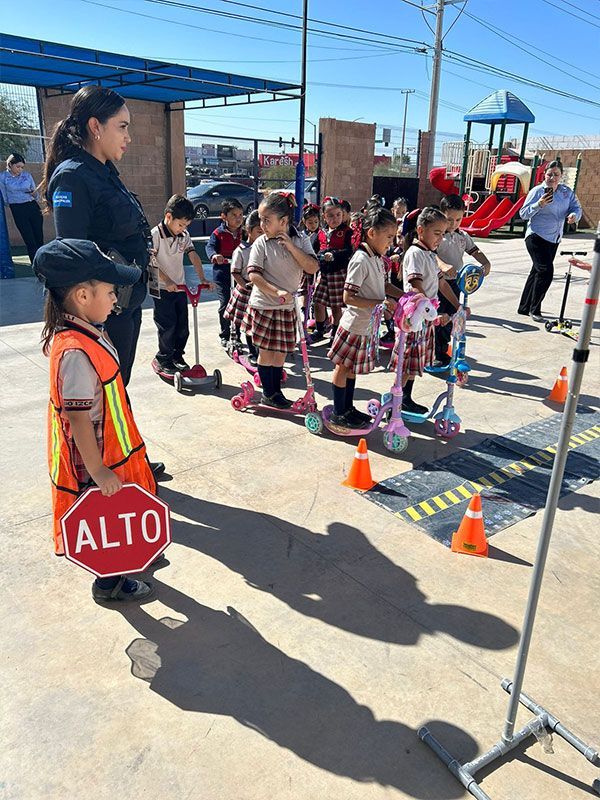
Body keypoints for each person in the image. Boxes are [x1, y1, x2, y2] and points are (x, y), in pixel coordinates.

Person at [41, 85, 164, 478]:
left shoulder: (104, 171)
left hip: (122, 302)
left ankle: (124, 459)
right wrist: (94, 319)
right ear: (95, 126)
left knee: (116, 387)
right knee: (99, 396)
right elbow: (72, 254)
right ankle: (102, 472)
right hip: (100, 311)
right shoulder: (74, 177)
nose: (128, 137)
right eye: (122, 127)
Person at [33, 238, 156, 603]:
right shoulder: (74, 351)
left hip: (108, 452)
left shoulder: (89, 331)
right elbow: (78, 418)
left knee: (115, 519)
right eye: (110, 291)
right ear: (83, 296)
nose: (116, 298)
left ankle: (120, 567)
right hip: (96, 460)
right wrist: (99, 471)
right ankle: (109, 582)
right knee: (106, 525)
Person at [327, 203, 403, 429]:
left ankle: (348, 408)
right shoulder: (361, 259)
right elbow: (348, 297)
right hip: (353, 326)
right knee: (342, 368)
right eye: (388, 237)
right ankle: (339, 412)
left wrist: (406, 295)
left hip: (367, 326)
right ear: (372, 233)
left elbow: (384, 286)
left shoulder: (377, 258)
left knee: (351, 370)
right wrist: (381, 303)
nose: (391, 242)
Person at [242, 192, 318, 409]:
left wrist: (291, 247)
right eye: (260, 220)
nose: (262, 225)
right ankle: (269, 393)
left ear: (283, 221)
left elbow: (312, 267)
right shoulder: (261, 243)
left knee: (281, 351)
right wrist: (276, 291)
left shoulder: (300, 239)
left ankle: (276, 393)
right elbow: (254, 275)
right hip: (265, 305)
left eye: (267, 220)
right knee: (267, 352)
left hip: (288, 307)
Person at [390, 207, 458, 414]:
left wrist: (458, 306)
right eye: (436, 233)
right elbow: (415, 287)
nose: (440, 238)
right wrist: (432, 312)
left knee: (414, 363)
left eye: (443, 234)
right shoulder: (415, 253)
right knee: (407, 361)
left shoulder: (429, 254)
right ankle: (396, 401)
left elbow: (442, 284)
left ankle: (405, 398)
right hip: (413, 318)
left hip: (425, 317)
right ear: (421, 231)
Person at [151, 195, 212, 376]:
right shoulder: (156, 234)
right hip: (162, 288)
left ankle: (177, 355)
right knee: (167, 325)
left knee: (182, 326)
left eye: (186, 226)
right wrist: (167, 281)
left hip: (179, 287)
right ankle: (163, 358)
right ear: (168, 217)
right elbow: (152, 260)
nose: (183, 229)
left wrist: (202, 279)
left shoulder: (183, 235)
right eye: (181, 225)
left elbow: (193, 255)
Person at [518, 160, 582, 323]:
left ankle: (524, 307)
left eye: (556, 174)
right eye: (549, 174)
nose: (552, 177)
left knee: (537, 271)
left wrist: (574, 216)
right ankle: (535, 308)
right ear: (544, 175)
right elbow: (523, 214)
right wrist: (539, 204)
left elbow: (576, 208)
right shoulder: (537, 191)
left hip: (554, 239)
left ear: (561, 176)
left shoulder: (566, 192)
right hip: (536, 236)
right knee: (546, 271)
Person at [434, 194, 490, 367]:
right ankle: (434, 352)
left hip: (455, 283)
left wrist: (485, 262)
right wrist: (442, 264)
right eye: (449, 219)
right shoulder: (437, 235)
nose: (454, 224)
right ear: (441, 214)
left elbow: (475, 250)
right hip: (437, 283)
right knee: (438, 319)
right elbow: (430, 254)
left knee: (451, 316)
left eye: (458, 219)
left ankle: (442, 350)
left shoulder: (462, 236)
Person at [312, 196, 353, 342]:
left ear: (343, 215)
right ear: (324, 216)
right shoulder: (321, 232)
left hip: (338, 273)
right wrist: (319, 256)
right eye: (330, 215)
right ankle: (319, 329)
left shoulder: (347, 232)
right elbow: (314, 249)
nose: (334, 219)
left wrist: (335, 254)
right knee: (317, 301)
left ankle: (335, 333)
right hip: (323, 273)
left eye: (338, 215)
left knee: (336, 306)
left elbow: (349, 251)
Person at [224, 210, 262, 364]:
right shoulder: (241, 250)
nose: (262, 234)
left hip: (260, 291)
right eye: (259, 231)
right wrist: (246, 285)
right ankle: (248, 349)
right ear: (249, 230)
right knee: (244, 323)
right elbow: (235, 272)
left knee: (255, 324)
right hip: (246, 291)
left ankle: (256, 350)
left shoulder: (265, 248)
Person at [205, 198, 244, 347]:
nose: (238, 218)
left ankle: (237, 335)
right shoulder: (218, 233)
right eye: (234, 215)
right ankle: (225, 333)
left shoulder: (244, 232)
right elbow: (210, 247)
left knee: (239, 305)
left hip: (239, 274)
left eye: (240, 215)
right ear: (224, 216)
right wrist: (214, 255)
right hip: (222, 274)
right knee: (225, 303)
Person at [0, 153, 44, 262]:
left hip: (32, 206)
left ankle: (44, 263)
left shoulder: (27, 175)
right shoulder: (3, 177)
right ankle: (35, 263)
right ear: (10, 165)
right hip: (18, 209)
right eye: (18, 166)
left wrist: (34, 194)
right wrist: (9, 204)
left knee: (39, 237)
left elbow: (35, 193)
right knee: (29, 239)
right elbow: (4, 196)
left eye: (22, 167)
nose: (20, 169)